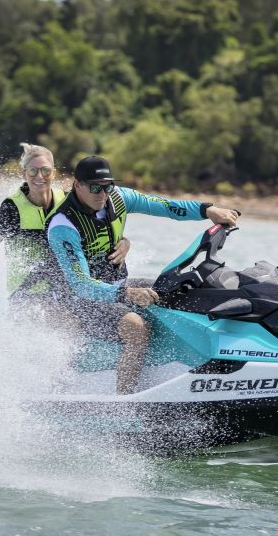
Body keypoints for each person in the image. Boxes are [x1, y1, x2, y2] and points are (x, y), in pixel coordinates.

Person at [47, 155, 239, 394]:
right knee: (136, 328)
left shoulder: (119, 197)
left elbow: (164, 206)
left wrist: (207, 210)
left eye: (107, 186)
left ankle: (218, 364)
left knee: (181, 290)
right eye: (95, 187)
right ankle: (125, 403)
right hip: (79, 301)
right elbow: (81, 285)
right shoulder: (62, 225)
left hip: (117, 285)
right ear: (77, 185)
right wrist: (127, 293)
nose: (102, 194)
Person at [0, 143, 130, 323]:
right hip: (29, 294)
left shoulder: (70, 203)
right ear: (24, 174)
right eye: (33, 171)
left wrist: (125, 243)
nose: (40, 177)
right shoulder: (11, 210)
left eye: (46, 171)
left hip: (66, 292)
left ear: (54, 173)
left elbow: (103, 231)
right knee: (66, 321)